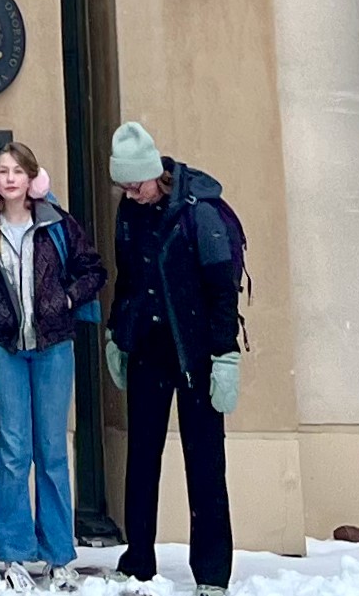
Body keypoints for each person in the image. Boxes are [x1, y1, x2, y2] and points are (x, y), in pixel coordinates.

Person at [0, 143, 106, 589]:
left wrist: (64, 299)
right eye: (1, 171)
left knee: (53, 452)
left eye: (17, 171)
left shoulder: (58, 225)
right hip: (5, 349)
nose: (9, 179)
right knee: (14, 451)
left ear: (31, 178)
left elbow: (93, 271)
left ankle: (59, 553)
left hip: (54, 348)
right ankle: (14, 553)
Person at [102, 122, 239, 596]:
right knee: (142, 458)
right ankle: (138, 557)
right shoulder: (129, 212)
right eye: (123, 186)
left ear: (153, 175)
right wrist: (118, 336)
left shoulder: (200, 213)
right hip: (148, 351)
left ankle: (213, 573)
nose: (130, 193)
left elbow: (223, 289)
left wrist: (225, 355)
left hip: (196, 353)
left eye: (135, 185)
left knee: (204, 463)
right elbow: (127, 279)